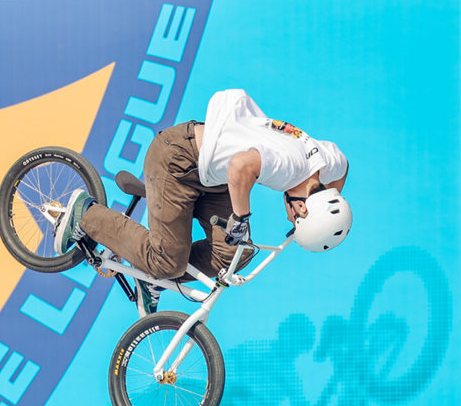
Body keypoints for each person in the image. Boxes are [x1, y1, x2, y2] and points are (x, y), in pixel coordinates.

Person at [53, 89, 352, 317]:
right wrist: (240, 218)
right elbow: (240, 166)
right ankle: (85, 214)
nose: (289, 218)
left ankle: (153, 277)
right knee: (167, 260)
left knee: (234, 255)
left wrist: (331, 197)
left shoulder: (326, 162)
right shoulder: (288, 168)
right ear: (302, 208)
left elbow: (343, 167)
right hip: (178, 160)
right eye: (295, 220)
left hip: (212, 177)